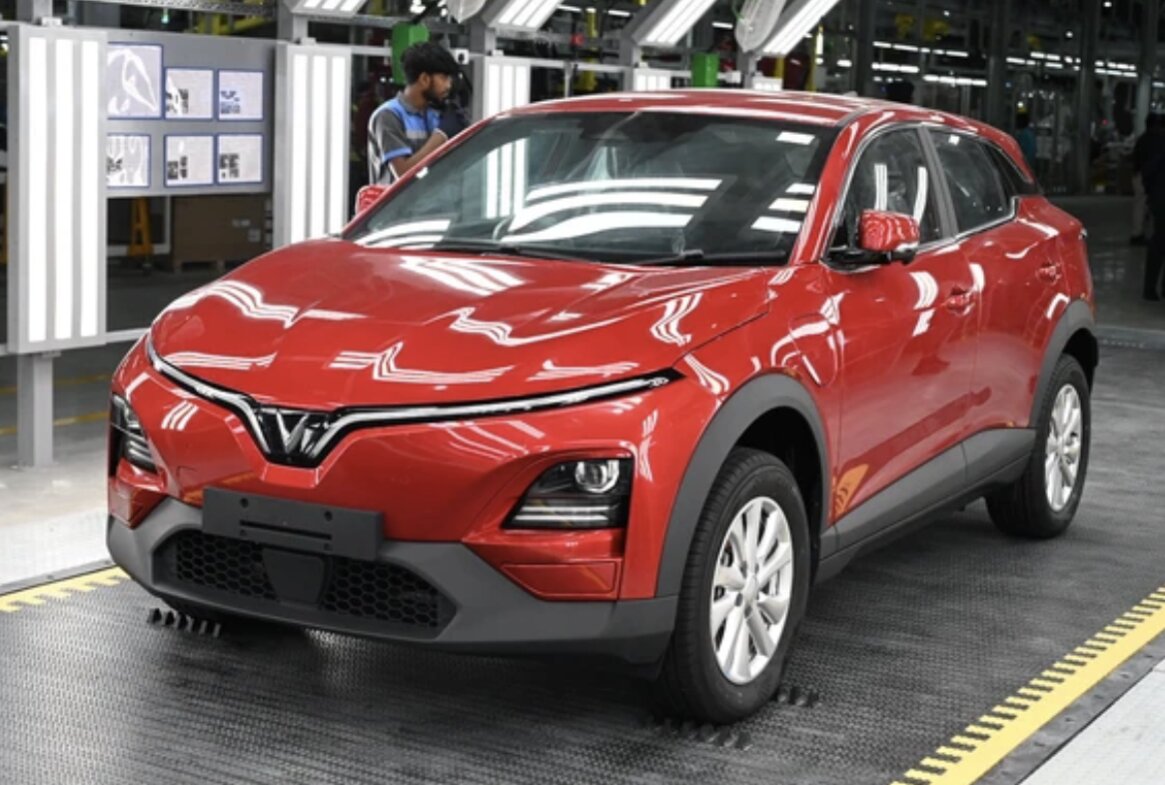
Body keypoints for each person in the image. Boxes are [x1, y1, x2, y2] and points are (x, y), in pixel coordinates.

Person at [367, 42, 469, 185]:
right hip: (400, 200)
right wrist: (441, 136)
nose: (448, 85)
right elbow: (403, 174)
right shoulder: (388, 116)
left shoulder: (436, 114)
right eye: (444, 78)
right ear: (424, 79)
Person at [1140, 114, 1165, 301]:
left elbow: (1149, 171)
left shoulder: (1160, 145)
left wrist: (1151, 193)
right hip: (1161, 200)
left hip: (1160, 200)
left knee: (1158, 243)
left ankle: (1151, 287)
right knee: (1159, 243)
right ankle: (1153, 287)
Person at [1130, 114, 1157, 245]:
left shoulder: (1142, 139)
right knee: (1143, 206)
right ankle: (1139, 233)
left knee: (1140, 205)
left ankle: (1138, 232)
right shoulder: (1155, 140)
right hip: (1147, 176)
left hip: (1139, 175)